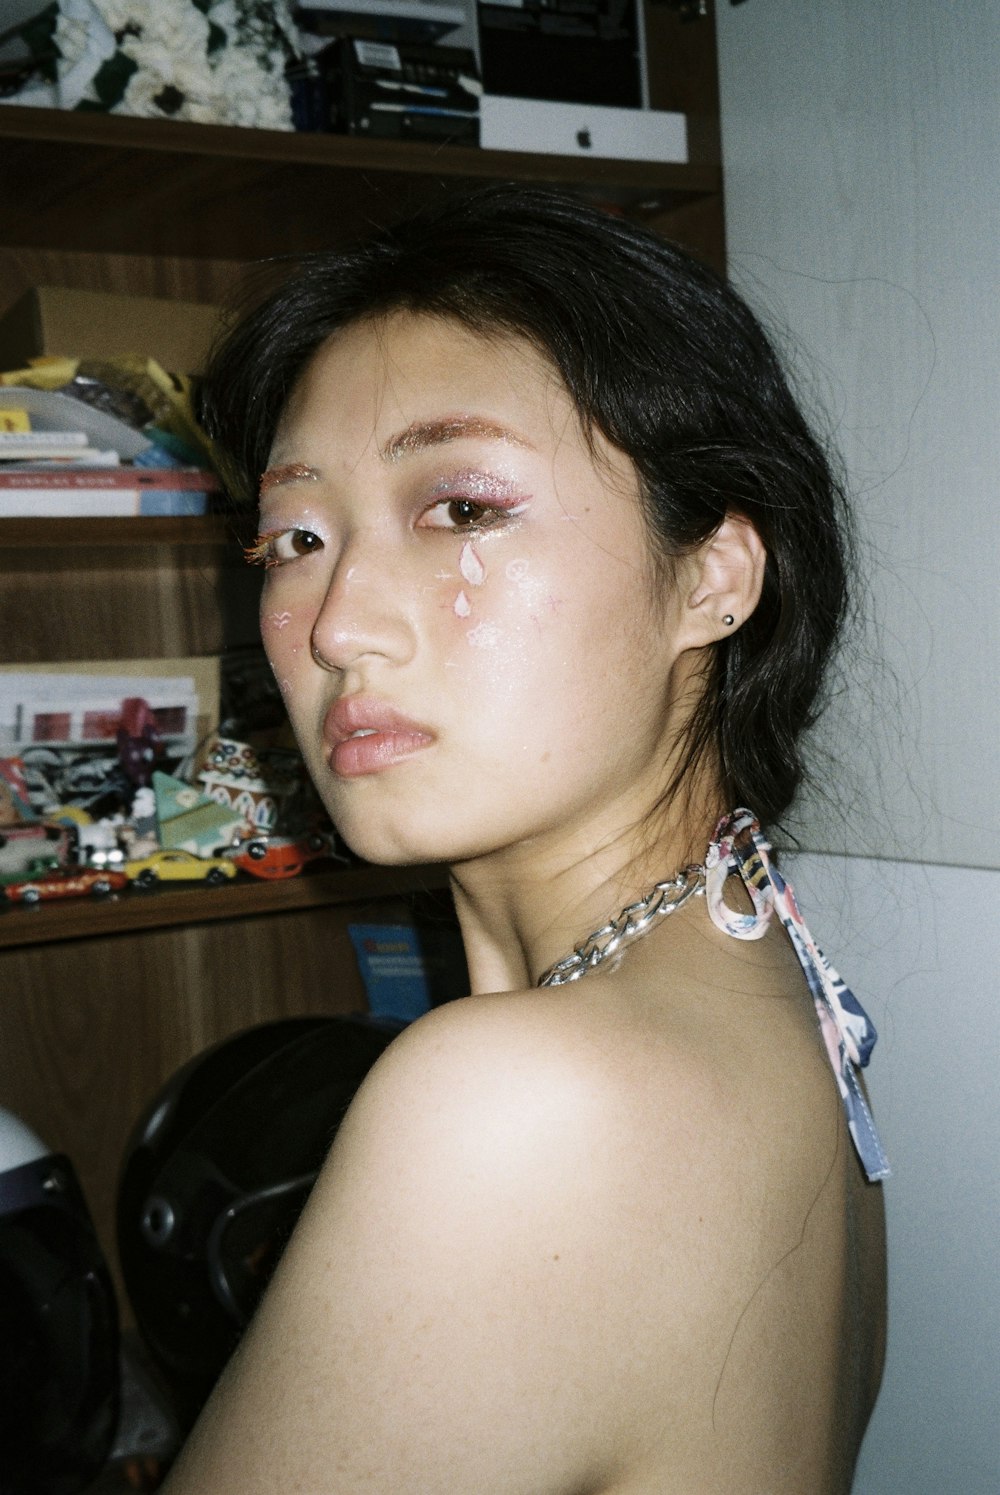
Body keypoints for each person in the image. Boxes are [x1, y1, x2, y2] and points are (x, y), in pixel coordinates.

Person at [165, 186, 888, 1493]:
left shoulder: (516, 1105)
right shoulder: (795, 994)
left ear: (715, 575)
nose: (337, 626)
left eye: (462, 510)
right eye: (296, 539)